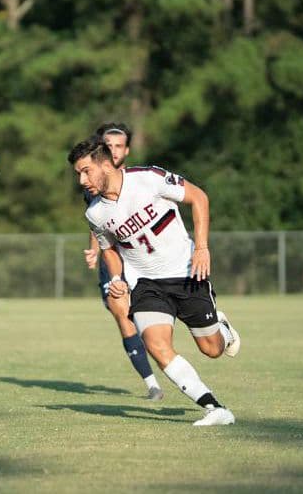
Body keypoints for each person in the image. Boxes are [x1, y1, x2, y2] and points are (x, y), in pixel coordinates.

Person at [68, 139, 241, 426]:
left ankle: (222, 329)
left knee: (212, 349)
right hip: (146, 283)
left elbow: (199, 198)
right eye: (78, 174)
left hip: (187, 273)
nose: (82, 180)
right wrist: (116, 277)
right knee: (157, 345)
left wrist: (201, 248)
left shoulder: (149, 178)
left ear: (105, 163)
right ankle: (215, 408)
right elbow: (109, 248)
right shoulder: (94, 213)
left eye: (86, 171)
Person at [82, 124, 162, 401]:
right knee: (121, 312)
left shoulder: (139, 180)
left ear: (127, 150)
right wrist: (94, 250)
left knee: (152, 322)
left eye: (119, 146)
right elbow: (98, 223)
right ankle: (152, 384)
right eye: (109, 145)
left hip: (142, 260)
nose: (114, 150)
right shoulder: (90, 182)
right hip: (112, 263)